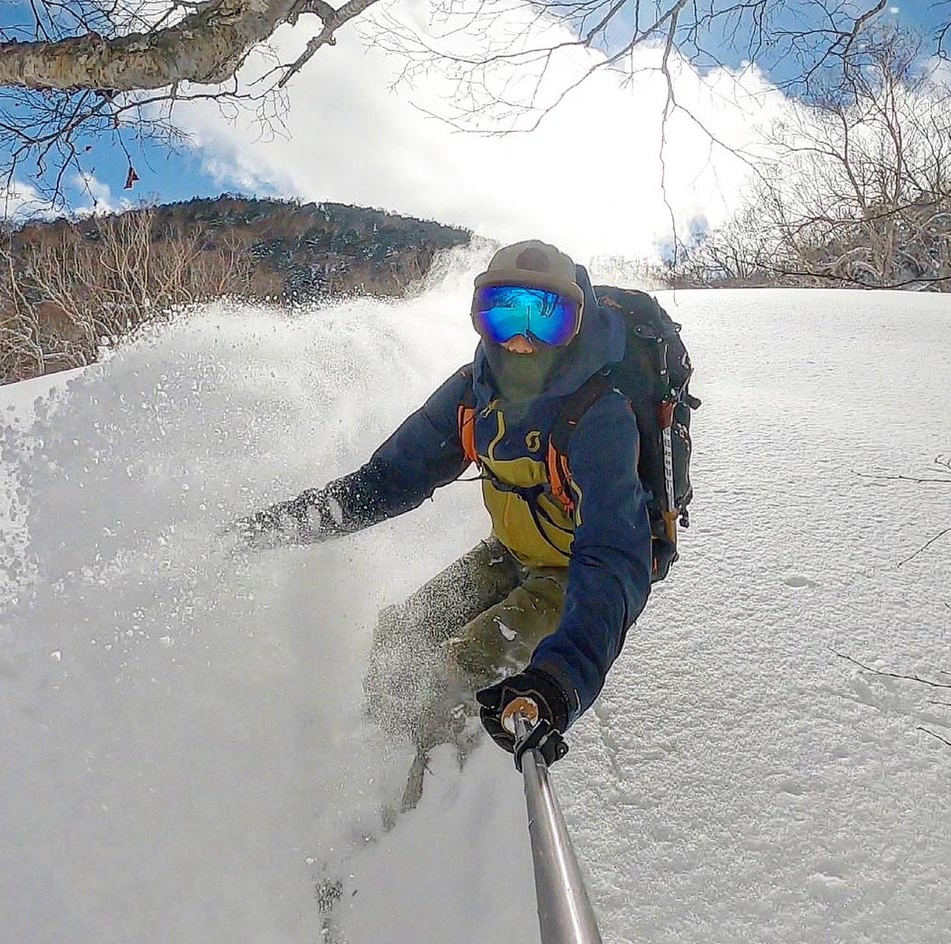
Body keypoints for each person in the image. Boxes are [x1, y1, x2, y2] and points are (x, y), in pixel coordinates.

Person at [236, 240, 652, 808]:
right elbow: (389, 479)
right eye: (503, 315)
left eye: (546, 319)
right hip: (508, 551)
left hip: (568, 572)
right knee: (400, 635)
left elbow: (612, 560)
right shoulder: (472, 395)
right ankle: (377, 756)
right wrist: (286, 525)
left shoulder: (601, 416)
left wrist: (560, 681)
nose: (522, 340)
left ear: (575, 327)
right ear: (479, 319)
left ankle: (422, 815)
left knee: (463, 667)